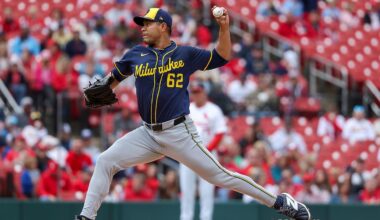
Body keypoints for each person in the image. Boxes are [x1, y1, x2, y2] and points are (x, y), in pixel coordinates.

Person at [75, 7, 311, 220]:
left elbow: (222, 56)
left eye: (148, 23)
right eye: (142, 24)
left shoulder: (185, 54)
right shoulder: (136, 54)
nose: (143, 28)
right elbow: (111, 81)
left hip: (179, 132)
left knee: (220, 176)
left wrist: (224, 28)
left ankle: (280, 202)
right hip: (147, 134)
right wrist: (101, 87)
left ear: (164, 26)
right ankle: (86, 217)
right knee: (105, 160)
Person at [180, 81, 227, 220]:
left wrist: (207, 149)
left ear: (204, 92)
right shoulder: (186, 108)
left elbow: (220, 133)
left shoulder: (214, 110)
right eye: (194, 92)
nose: (196, 95)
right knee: (186, 192)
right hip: (188, 155)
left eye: (198, 92)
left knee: (206, 192)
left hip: (208, 155)